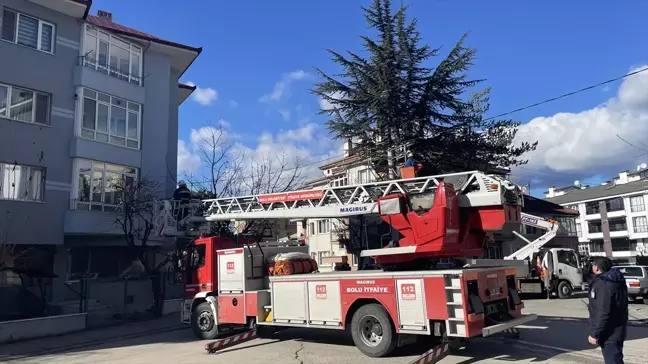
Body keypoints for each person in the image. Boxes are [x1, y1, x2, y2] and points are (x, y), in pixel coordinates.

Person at [587, 257, 628, 364]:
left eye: (593, 265)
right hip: (617, 329)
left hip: (610, 332)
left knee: (613, 360)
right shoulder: (614, 280)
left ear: (596, 267)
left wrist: (594, 333)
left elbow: (603, 311)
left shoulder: (604, 284)